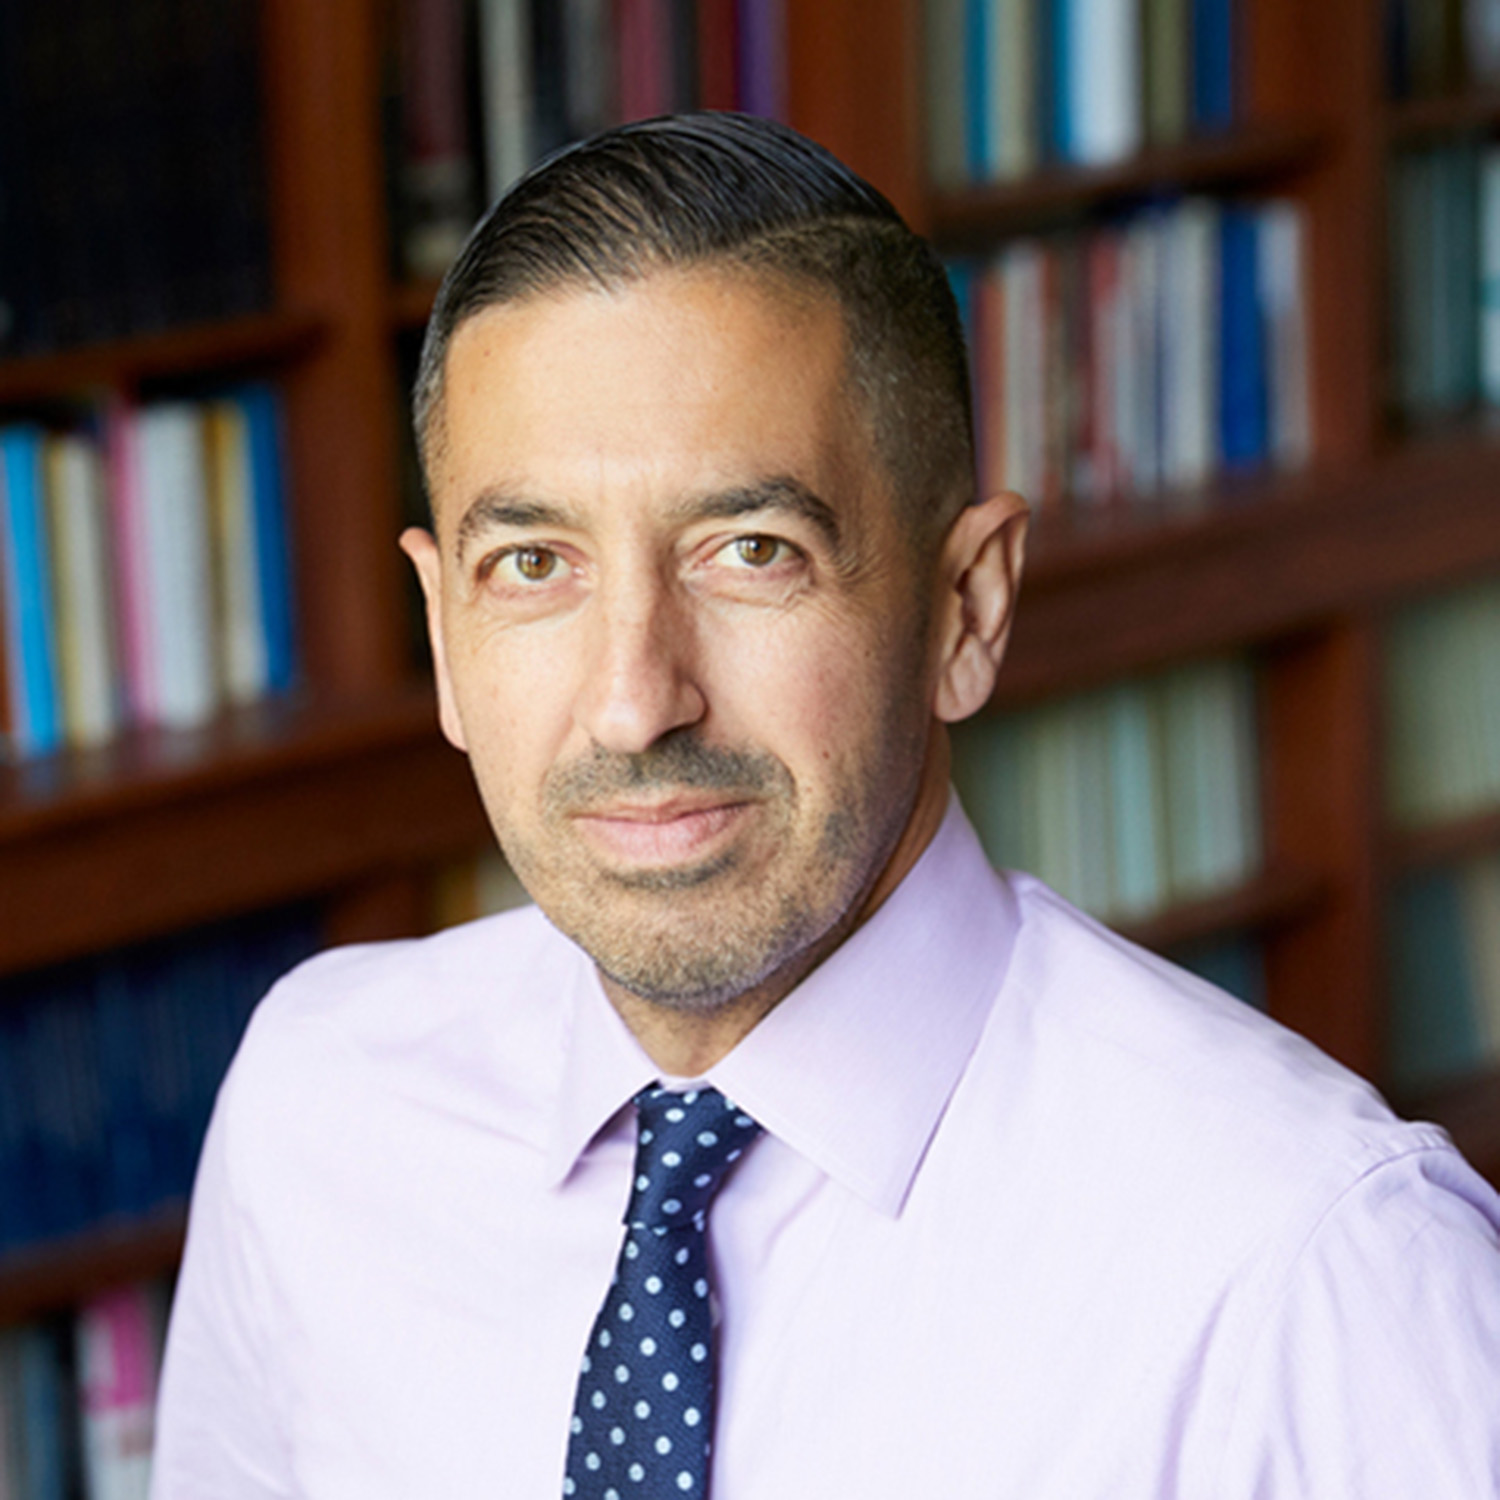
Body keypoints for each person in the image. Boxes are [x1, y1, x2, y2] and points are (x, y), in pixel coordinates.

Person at [151, 114, 1500, 1499]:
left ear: (965, 610)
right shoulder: (319, 1107)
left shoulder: (1316, 1269)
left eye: (752, 552)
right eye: (535, 563)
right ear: (443, 637)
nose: (635, 701)